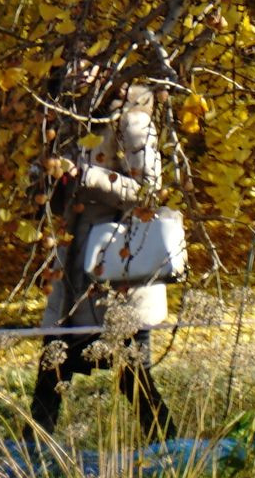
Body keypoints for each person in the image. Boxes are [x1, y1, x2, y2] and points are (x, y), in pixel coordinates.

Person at [27, 57, 179, 442]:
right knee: (52, 368)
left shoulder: (132, 121)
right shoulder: (67, 120)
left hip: (119, 269)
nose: (77, 70)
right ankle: (31, 455)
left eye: (87, 61)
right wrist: (42, 179)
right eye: (70, 62)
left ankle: (170, 450)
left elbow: (148, 191)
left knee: (133, 376)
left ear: (107, 70)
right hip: (73, 270)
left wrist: (87, 176)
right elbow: (57, 194)